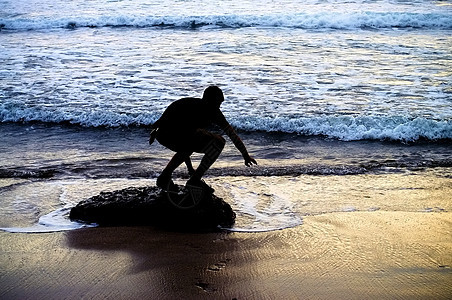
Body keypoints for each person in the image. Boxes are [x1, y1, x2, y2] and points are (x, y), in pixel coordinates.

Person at [149, 86, 257, 191]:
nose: (219, 107)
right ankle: (170, 178)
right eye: (217, 103)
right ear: (208, 101)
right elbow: (185, 144)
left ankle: (191, 179)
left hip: (168, 134)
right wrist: (190, 169)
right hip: (166, 133)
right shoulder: (192, 107)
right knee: (194, 141)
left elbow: (232, 134)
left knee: (218, 141)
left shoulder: (214, 112)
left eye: (220, 104)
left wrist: (245, 156)